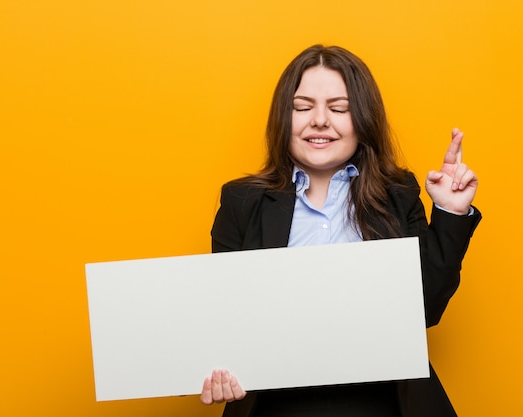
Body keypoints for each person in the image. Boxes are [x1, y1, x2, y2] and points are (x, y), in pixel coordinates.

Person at [200, 44, 481, 417]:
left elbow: (424, 310)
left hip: (385, 403)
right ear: (283, 118)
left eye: (338, 108)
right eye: (302, 107)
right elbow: (228, 321)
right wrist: (220, 371)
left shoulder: (397, 195)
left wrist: (449, 210)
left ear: (363, 118)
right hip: (277, 405)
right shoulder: (241, 202)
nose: (319, 121)